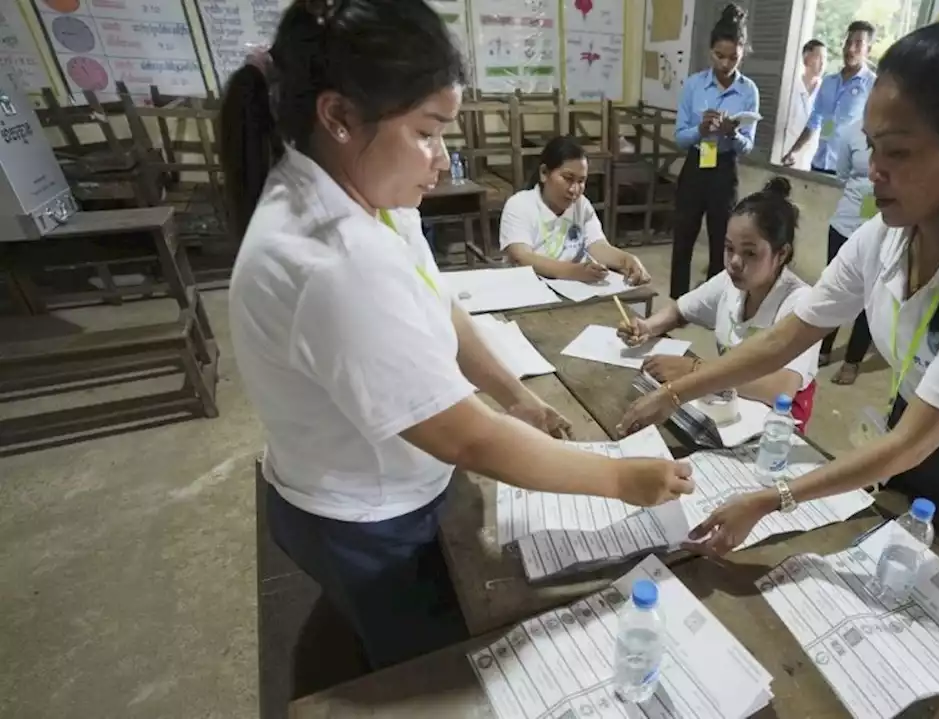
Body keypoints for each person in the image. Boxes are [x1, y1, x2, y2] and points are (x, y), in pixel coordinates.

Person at [220, 0, 692, 669]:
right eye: (426, 131)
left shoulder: (364, 193)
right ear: (339, 116)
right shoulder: (332, 261)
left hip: (382, 483)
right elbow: (469, 437)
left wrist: (516, 395)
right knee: (428, 664)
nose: (442, 159)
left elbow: (439, 305)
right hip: (364, 520)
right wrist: (619, 479)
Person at [619, 15, 939, 579]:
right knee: (895, 571)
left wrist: (772, 500)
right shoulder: (887, 234)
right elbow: (787, 337)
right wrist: (675, 393)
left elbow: (913, 441)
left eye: (898, 152)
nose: (874, 170)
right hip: (913, 431)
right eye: (870, 147)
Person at [617, 178, 821, 432]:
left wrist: (695, 370)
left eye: (750, 253)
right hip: (728, 408)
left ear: (781, 254)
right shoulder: (729, 282)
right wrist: (647, 327)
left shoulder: (800, 302)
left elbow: (780, 388)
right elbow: (680, 310)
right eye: (728, 248)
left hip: (774, 427)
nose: (734, 262)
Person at [670, 3, 760, 299]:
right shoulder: (695, 85)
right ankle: (678, 300)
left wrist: (732, 134)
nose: (725, 63)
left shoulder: (749, 91)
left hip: (725, 168)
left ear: (743, 53)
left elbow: (747, 146)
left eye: (733, 57)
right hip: (696, 165)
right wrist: (700, 130)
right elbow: (680, 138)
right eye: (719, 56)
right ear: (711, 52)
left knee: (722, 240)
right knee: (683, 236)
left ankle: (711, 300)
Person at [500, 135, 649, 284]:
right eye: (568, 178)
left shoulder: (581, 205)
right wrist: (573, 271)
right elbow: (523, 257)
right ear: (544, 173)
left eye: (581, 181)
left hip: (572, 289)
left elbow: (597, 246)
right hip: (530, 290)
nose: (574, 189)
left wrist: (626, 260)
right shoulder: (519, 205)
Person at [818, 119, 876, 384]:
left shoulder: (907, 131)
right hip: (845, 223)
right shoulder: (851, 131)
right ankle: (823, 349)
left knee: (870, 298)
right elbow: (842, 173)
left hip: (880, 228)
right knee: (834, 290)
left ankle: (852, 361)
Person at [781, 21, 875, 175]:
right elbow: (814, 121)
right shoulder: (828, 82)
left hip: (848, 172)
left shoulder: (872, 85)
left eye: (858, 44)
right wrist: (793, 151)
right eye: (847, 43)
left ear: (868, 50)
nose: (850, 49)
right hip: (819, 164)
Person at [779, 39, 826, 173]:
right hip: (786, 153)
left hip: (812, 158)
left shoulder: (825, 90)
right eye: (819, 57)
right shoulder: (789, 87)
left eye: (825, 58)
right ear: (806, 60)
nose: (823, 63)